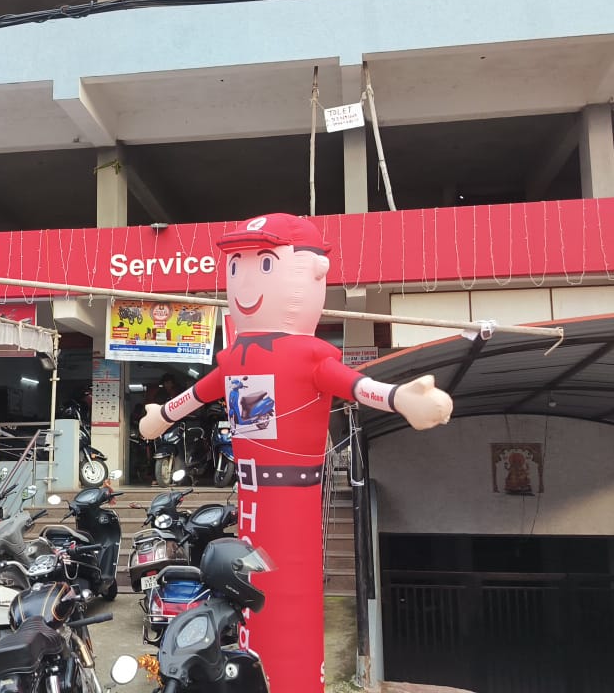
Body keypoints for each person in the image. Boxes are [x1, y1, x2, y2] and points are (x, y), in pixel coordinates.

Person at [138, 213, 452, 693]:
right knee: (255, 591)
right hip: (252, 498)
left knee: (286, 605)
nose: (245, 281)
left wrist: (400, 399)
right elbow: (199, 394)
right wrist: (162, 416)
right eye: (237, 266)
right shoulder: (236, 355)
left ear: (312, 274)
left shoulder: (311, 355)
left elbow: (356, 386)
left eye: (265, 264)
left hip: (294, 500)